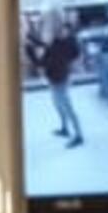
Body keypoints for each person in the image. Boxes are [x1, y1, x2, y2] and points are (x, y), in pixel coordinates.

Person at [43, 10, 84, 148]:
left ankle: (79, 135)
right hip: (55, 76)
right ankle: (65, 128)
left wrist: (67, 61)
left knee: (66, 105)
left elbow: (74, 53)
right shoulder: (56, 36)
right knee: (57, 103)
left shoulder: (66, 35)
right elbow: (49, 53)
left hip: (61, 76)